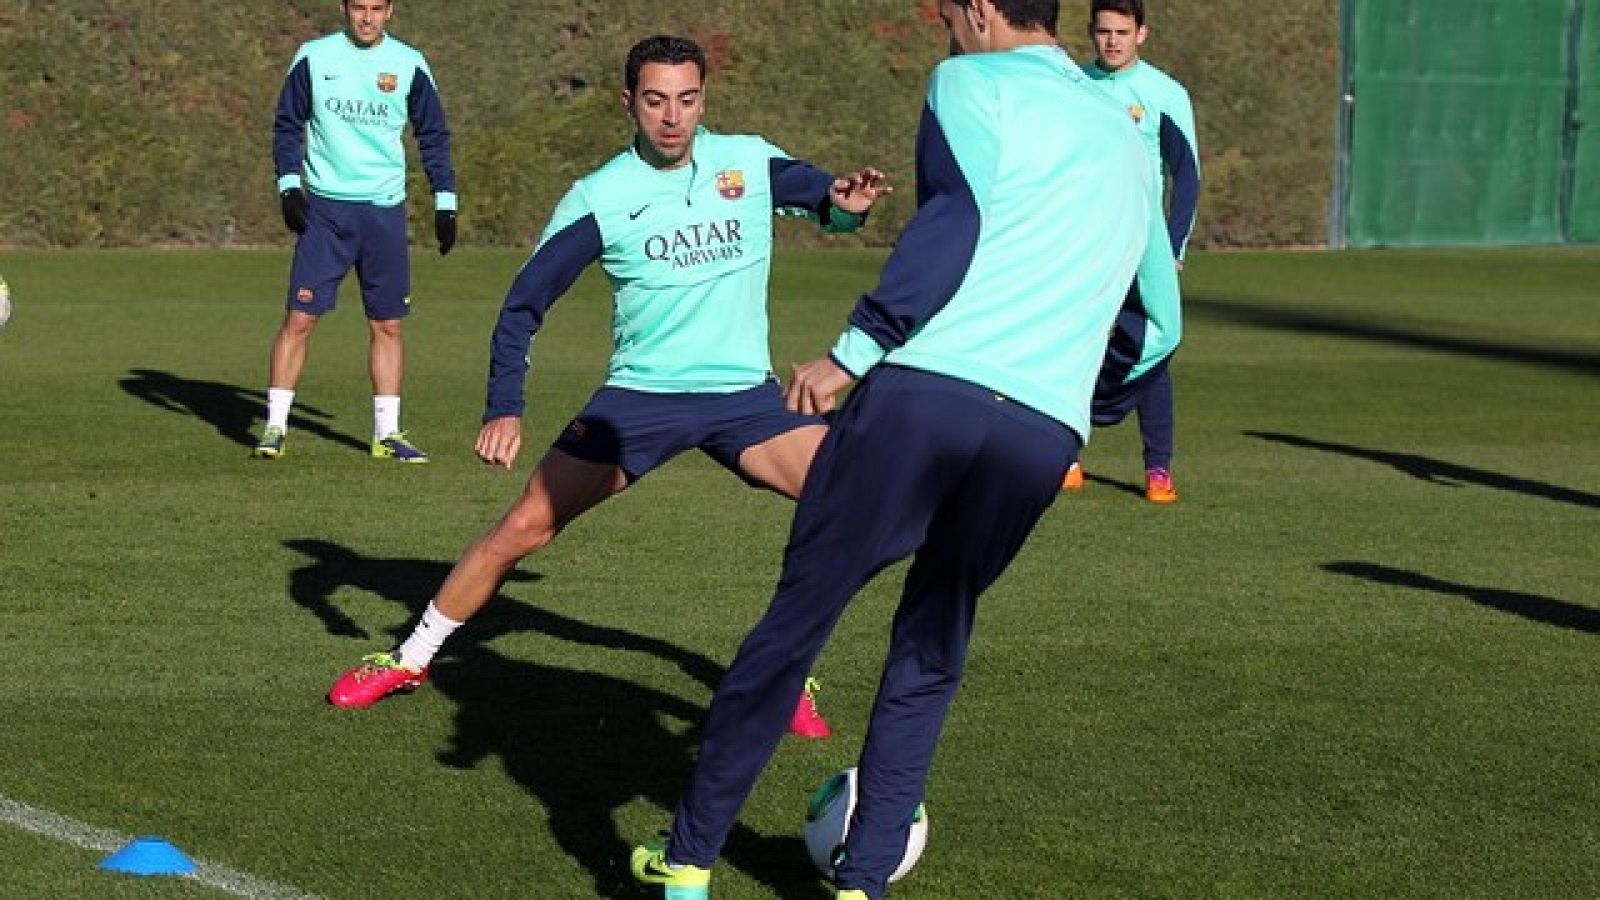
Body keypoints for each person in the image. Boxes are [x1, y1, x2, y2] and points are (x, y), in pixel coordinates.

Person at [630, 1, 1179, 897]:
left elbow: (952, 222)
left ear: (981, 11)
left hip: (925, 400)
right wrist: (1082, 399)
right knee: (931, 647)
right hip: (1040, 435)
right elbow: (1158, 322)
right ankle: (864, 877)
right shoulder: (1126, 128)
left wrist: (853, 351)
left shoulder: (969, 79)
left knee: (796, 627)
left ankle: (688, 862)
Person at [325, 35, 892, 740]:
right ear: (630, 103)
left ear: (703, 100)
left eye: (687, 100)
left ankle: (783, 672)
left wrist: (850, 203)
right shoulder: (600, 197)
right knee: (521, 530)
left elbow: (829, 204)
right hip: (640, 403)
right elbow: (524, 305)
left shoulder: (747, 160)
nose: (672, 117)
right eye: (656, 101)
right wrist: (504, 405)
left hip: (744, 397)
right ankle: (411, 657)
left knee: (847, 504)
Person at [255, 0, 457, 463]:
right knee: (299, 320)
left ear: (391, 11)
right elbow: (288, 124)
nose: (367, 18)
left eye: (376, 8)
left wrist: (445, 201)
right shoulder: (314, 57)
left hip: (383, 213)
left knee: (387, 324)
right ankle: (274, 428)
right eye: (358, 7)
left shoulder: (409, 64)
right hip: (325, 212)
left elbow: (433, 135)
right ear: (345, 9)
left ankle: (386, 435)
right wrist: (289, 186)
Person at [1062, 0, 1199, 502]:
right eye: (1103, 31)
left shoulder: (1164, 93)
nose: (1112, 41)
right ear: (1092, 34)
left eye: (1123, 31)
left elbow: (1187, 174)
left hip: (1146, 244)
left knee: (1156, 347)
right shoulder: (1071, 85)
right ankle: (1066, 454)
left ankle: (1157, 468)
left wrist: (1175, 246)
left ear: (1141, 34)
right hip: (1083, 239)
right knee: (1079, 342)